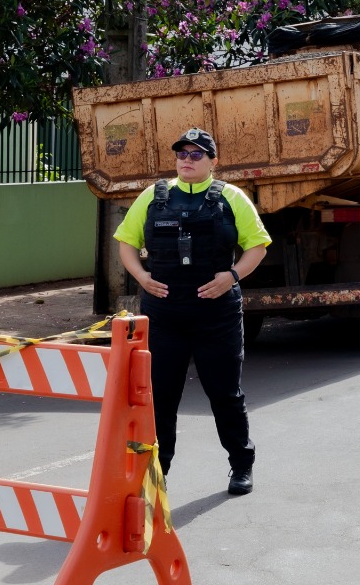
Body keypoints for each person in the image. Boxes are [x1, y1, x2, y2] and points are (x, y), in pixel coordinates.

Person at [114, 128, 271, 495]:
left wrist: (231, 276)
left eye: (196, 154)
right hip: (164, 314)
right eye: (181, 153)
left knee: (225, 394)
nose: (187, 159)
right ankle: (157, 473)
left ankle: (241, 465)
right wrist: (142, 277)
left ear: (213, 161)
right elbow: (126, 242)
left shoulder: (231, 198)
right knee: (161, 396)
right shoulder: (154, 197)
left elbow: (258, 247)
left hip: (216, 314)